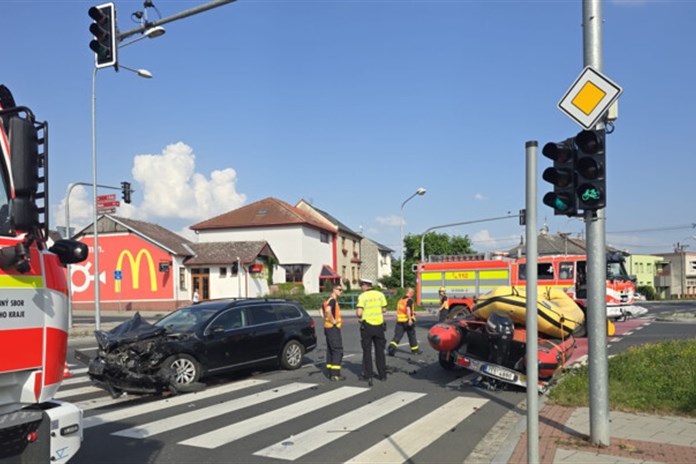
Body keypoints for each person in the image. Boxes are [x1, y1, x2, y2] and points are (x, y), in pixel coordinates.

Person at [356, 279, 388, 386]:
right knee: (380, 351)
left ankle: (368, 375)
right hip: (379, 326)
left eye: (361, 285)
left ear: (365, 286)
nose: (361, 287)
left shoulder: (362, 296)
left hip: (367, 326)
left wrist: (360, 316)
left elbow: (359, 312)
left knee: (367, 351)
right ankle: (382, 375)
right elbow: (384, 310)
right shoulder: (380, 295)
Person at [387, 287, 422, 356]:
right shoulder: (409, 300)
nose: (413, 294)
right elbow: (408, 309)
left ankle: (391, 348)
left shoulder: (400, 300)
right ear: (411, 293)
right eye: (413, 293)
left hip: (400, 321)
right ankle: (415, 350)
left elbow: (402, 310)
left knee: (397, 336)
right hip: (407, 321)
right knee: (411, 335)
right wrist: (409, 319)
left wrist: (413, 312)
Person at [322, 284, 345, 381]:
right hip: (333, 328)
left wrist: (326, 319)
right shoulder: (332, 300)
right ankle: (335, 374)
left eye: (341, 290)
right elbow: (327, 310)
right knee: (337, 350)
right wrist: (333, 320)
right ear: (334, 289)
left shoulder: (327, 300)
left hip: (327, 328)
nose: (341, 291)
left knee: (330, 349)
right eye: (339, 289)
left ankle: (329, 371)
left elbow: (321, 310)